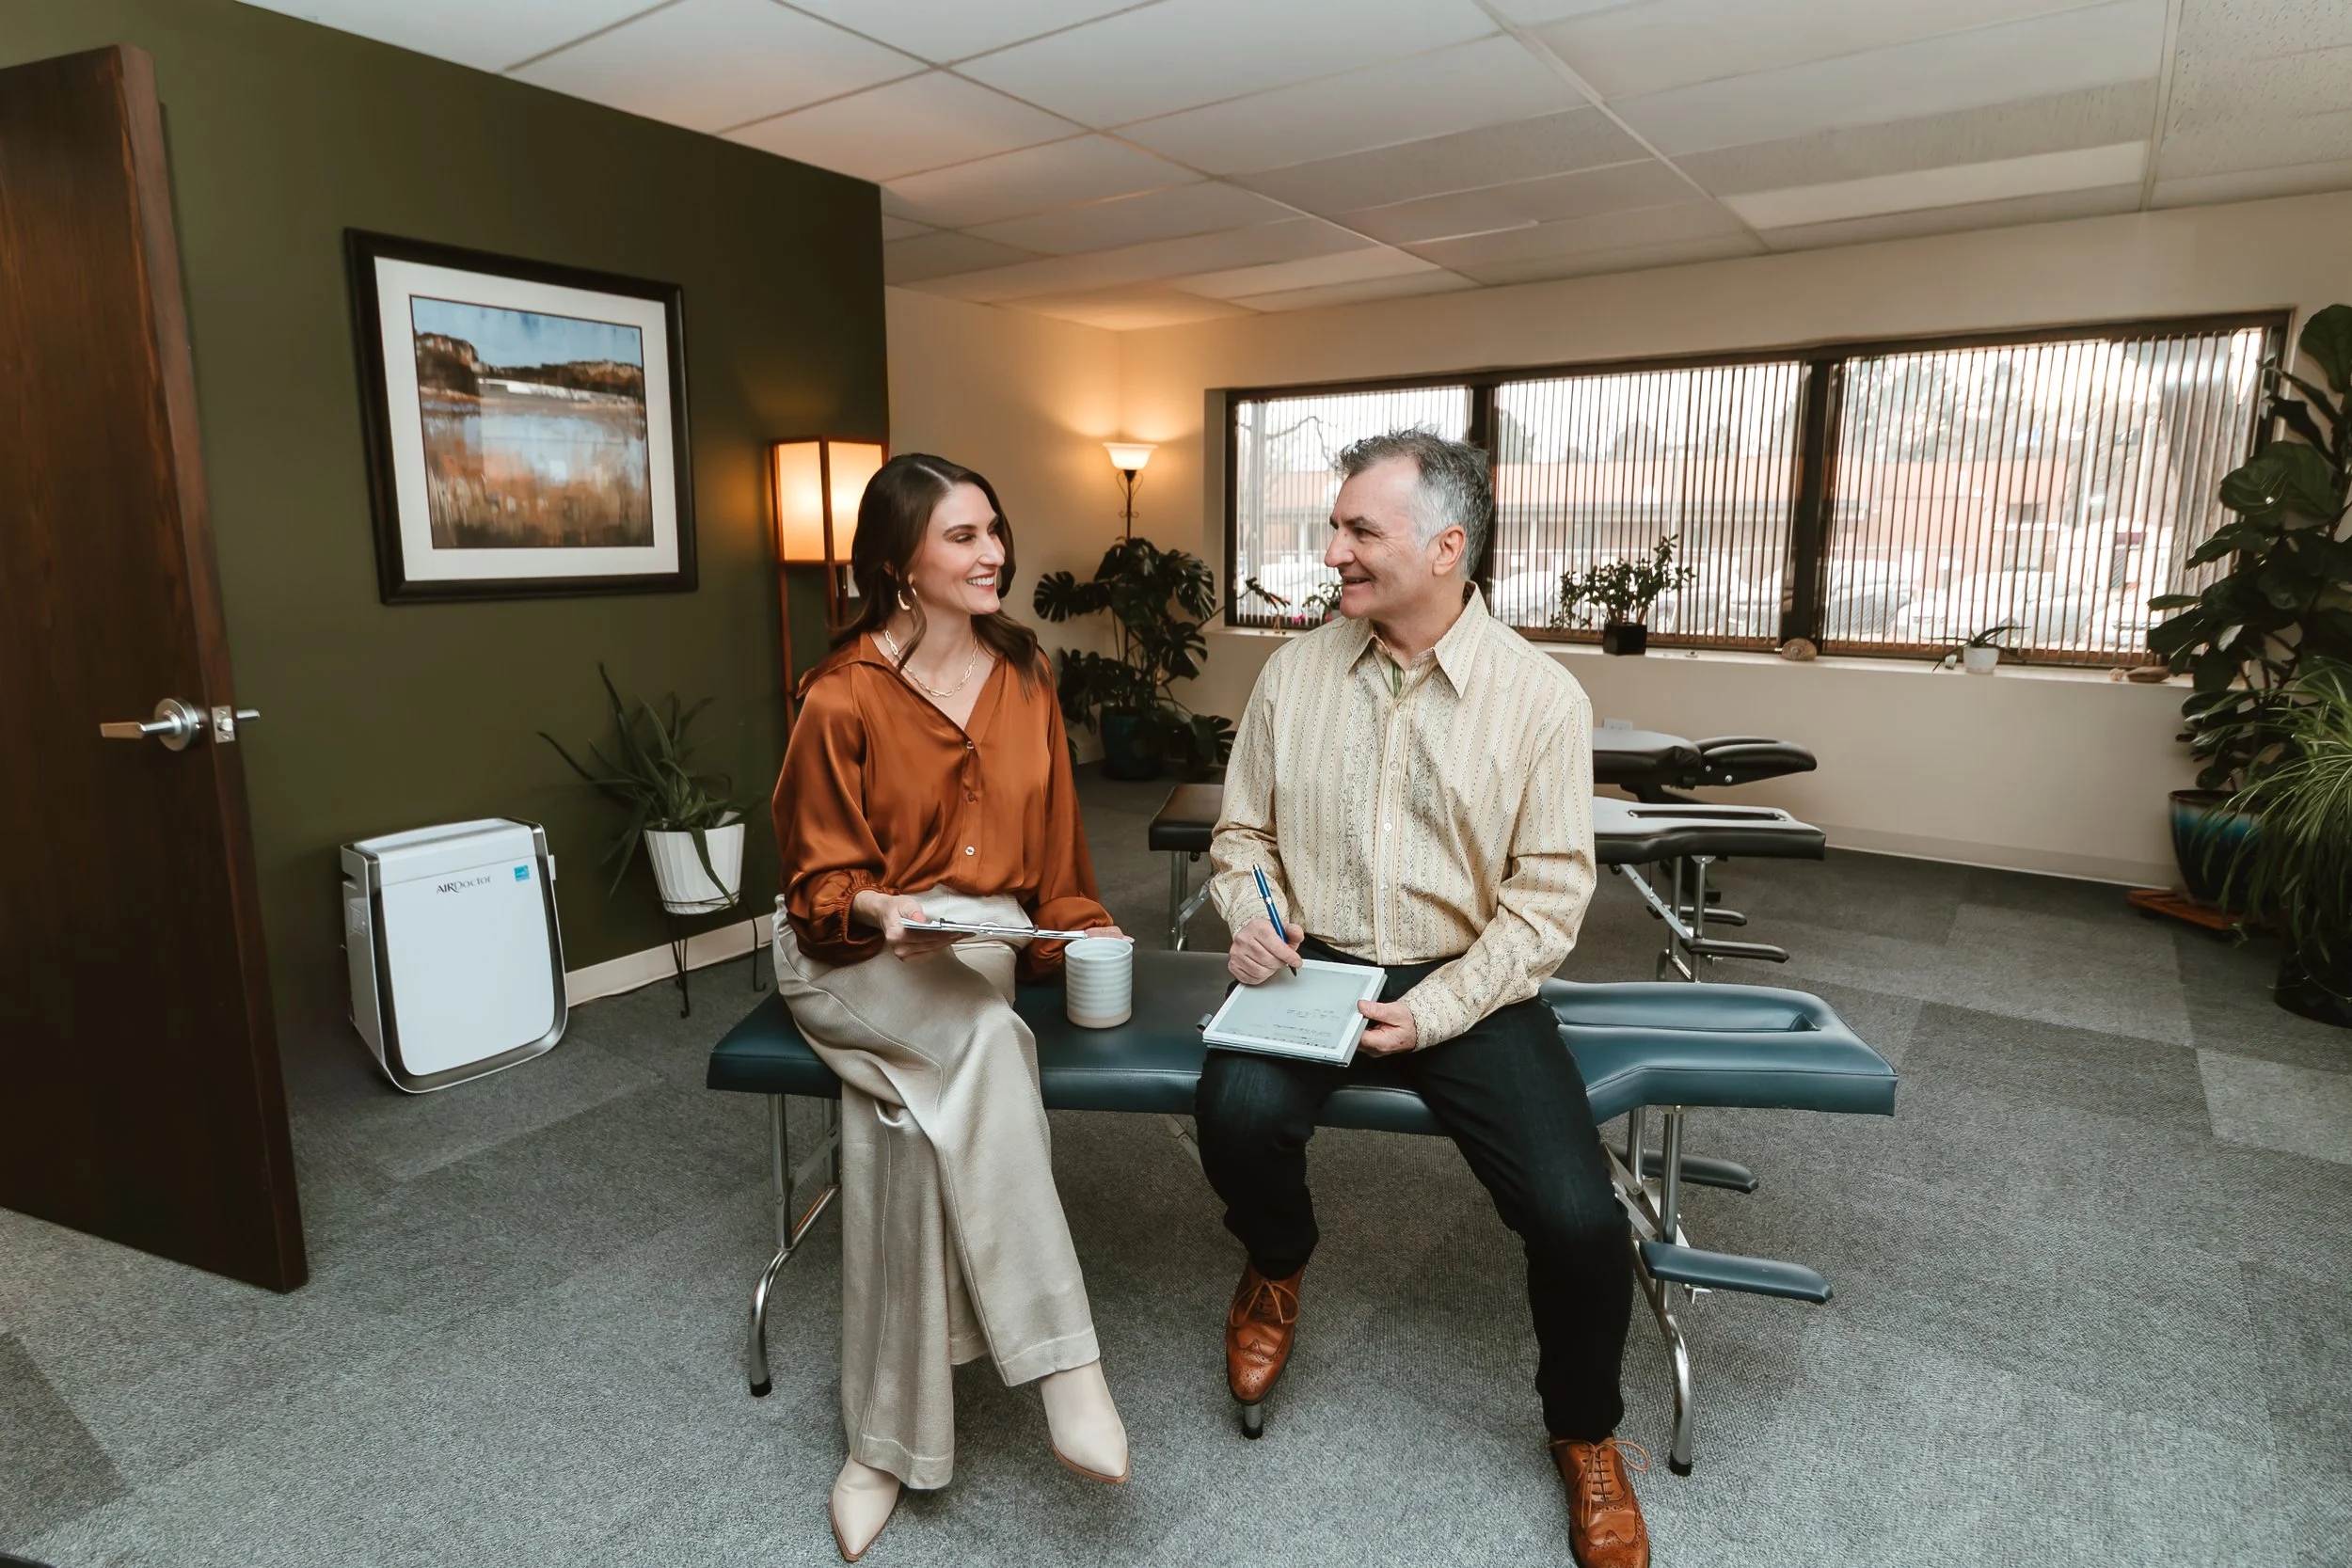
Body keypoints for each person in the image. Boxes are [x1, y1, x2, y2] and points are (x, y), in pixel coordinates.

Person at [1198, 430, 1649, 1567]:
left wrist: (1436, 1011)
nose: (1333, 550)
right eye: (1335, 526)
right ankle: (1278, 1257)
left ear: (1448, 547)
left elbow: (1545, 905)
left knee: (1579, 1219)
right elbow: (1241, 835)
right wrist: (1253, 912)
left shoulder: (1541, 701)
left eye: (1361, 530)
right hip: (1318, 962)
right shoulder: (1293, 672)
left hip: (1472, 979)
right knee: (1235, 1115)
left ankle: (1586, 1430)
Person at [771, 453, 1130, 1562]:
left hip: (974, 944)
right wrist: (880, 908)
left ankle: (884, 1445)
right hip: (848, 950)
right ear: (899, 565)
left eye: (993, 532)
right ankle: (1068, 1365)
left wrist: (1079, 930)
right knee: (976, 1046)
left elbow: (1059, 850)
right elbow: (817, 889)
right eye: (963, 538)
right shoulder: (839, 693)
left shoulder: (1027, 675)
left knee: (915, 1125)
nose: (994, 556)